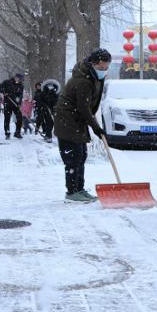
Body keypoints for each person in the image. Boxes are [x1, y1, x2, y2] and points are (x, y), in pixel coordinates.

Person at [54, 49, 112, 202]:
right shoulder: (84, 81)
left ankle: (79, 189)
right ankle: (72, 192)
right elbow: (83, 108)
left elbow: (87, 108)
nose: (104, 71)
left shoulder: (93, 77)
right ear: (92, 64)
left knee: (81, 155)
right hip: (67, 121)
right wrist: (96, 128)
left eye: (106, 68)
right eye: (101, 68)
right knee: (73, 157)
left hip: (76, 121)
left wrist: (93, 124)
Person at [0, 73, 25, 139]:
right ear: (15, 77)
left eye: (20, 79)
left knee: (19, 118)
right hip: (8, 103)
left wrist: (19, 103)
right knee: (7, 119)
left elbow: (20, 96)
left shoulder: (21, 86)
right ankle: (7, 133)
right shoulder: (7, 82)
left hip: (16, 104)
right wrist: (3, 92)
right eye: (18, 78)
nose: (19, 80)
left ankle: (17, 133)